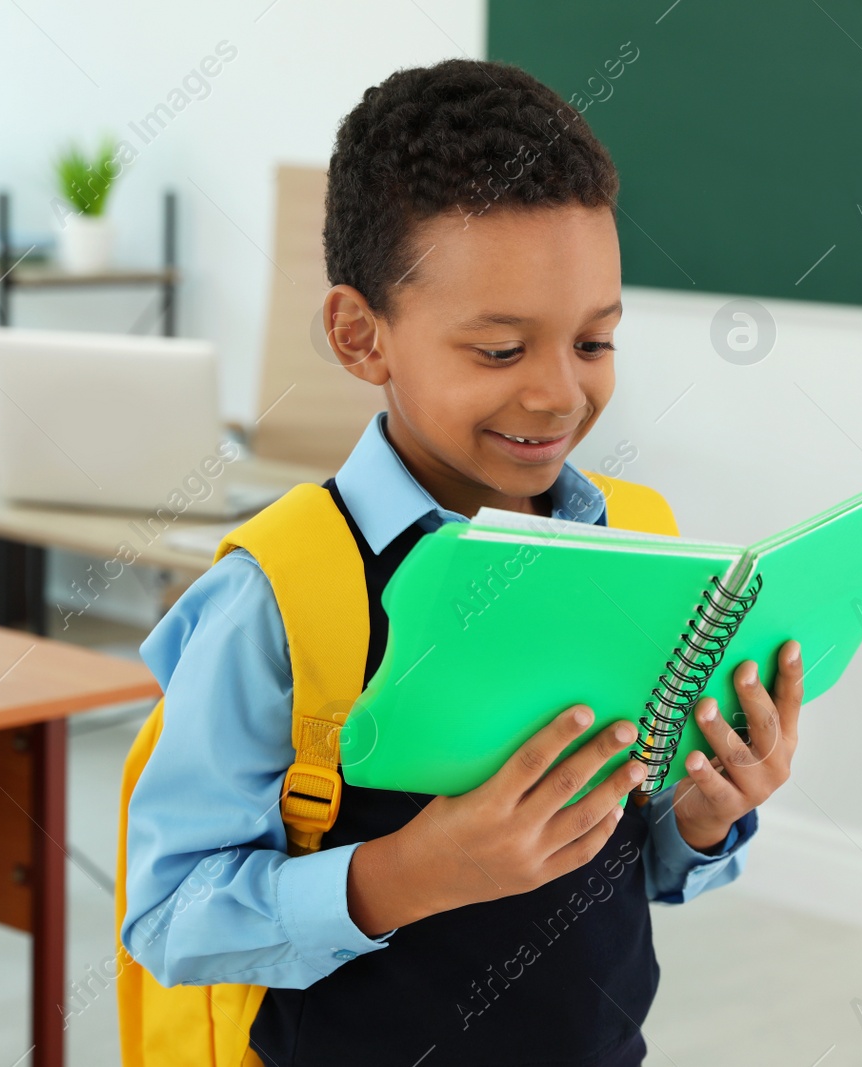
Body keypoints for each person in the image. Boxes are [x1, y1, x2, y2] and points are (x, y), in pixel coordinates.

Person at [117, 58, 806, 1067]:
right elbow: (171, 916)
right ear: (362, 336)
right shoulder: (277, 592)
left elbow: (633, 855)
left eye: (594, 341)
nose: (558, 395)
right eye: (498, 350)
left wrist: (699, 820)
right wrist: (404, 873)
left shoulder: (638, 541)